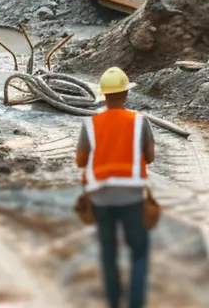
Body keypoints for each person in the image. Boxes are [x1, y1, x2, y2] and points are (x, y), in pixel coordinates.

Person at [76, 68, 154, 307]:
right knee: (139, 254)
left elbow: (81, 160)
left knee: (108, 256)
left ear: (104, 96)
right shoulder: (140, 122)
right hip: (132, 197)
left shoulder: (91, 125)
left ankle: (113, 302)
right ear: (126, 95)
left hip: (101, 199)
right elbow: (150, 157)